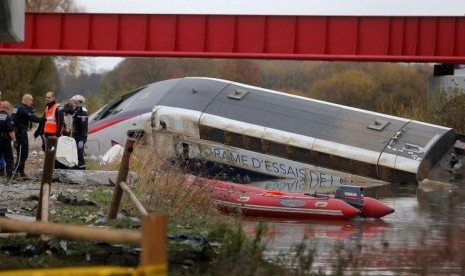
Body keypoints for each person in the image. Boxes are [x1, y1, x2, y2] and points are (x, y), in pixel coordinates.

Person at [12, 94, 45, 178]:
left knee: (20, 152)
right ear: (26, 100)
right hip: (20, 132)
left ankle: (21, 172)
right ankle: (15, 171)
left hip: (17, 132)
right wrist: (43, 119)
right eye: (31, 100)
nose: (32, 102)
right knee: (23, 153)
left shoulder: (17, 106)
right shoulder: (22, 109)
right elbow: (32, 118)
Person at [69, 95, 88, 170]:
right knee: (75, 154)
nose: (72, 104)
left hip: (80, 138)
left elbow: (84, 128)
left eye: (74, 102)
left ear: (78, 103)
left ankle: (82, 169)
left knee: (80, 155)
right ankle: (76, 168)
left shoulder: (83, 114)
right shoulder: (77, 112)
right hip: (75, 137)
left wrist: (82, 140)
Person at [0, 101, 17, 179]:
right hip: (5, 141)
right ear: (8, 108)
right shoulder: (8, 117)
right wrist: (14, 140)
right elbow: (11, 131)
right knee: (9, 157)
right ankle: (10, 175)